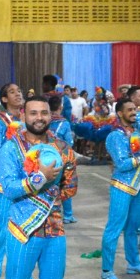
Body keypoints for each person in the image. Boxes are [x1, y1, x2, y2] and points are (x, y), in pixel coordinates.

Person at [0, 95, 78, 279]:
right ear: (23, 114)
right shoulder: (11, 149)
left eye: (44, 112)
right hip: (23, 230)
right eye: (33, 113)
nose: (39, 117)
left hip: (55, 230)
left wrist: (51, 187)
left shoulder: (63, 147)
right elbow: (10, 188)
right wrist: (40, 178)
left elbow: (71, 186)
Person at [0, 83, 38, 279]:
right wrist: (15, 147)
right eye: (13, 92)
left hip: (29, 187)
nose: (19, 94)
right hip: (6, 188)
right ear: (4, 99)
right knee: (1, 236)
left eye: (20, 91)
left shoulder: (29, 120)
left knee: (28, 234)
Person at [99, 97, 140, 279]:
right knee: (114, 229)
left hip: (138, 186)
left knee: (133, 228)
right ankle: (107, 270)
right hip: (121, 188)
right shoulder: (115, 136)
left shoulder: (136, 133)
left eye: (135, 109)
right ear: (120, 113)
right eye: (129, 109)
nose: (134, 112)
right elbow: (121, 164)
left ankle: (134, 263)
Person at [49, 94, 79, 226]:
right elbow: (69, 142)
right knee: (65, 185)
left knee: (48, 185)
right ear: (60, 107)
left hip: (46, 157)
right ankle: (67, 215)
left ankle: (49, 211)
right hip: (61, 157)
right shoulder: (64, 123)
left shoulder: (45, 120)